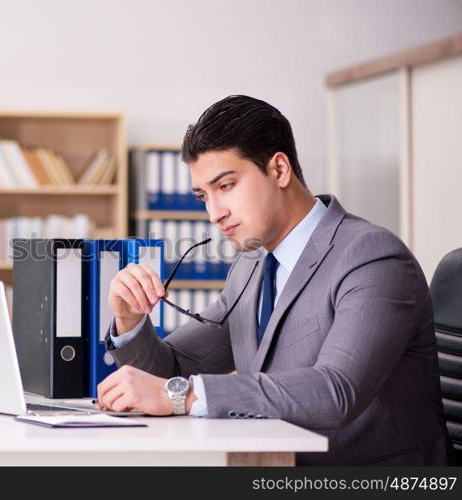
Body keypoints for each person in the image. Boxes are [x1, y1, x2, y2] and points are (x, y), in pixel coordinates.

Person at [97, 95, 451, 465]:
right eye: (204, 195)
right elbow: (170, 371)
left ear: (279, 169)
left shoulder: (371, 256)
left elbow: (336, 390)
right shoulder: (252, 264)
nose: (214, 213)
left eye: (227, 186)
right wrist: (130, 318)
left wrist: (183, 395)